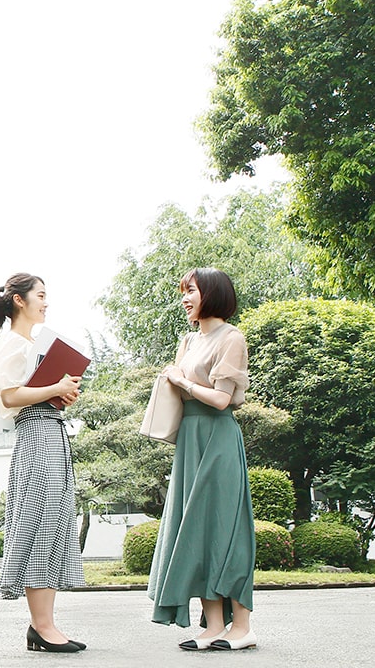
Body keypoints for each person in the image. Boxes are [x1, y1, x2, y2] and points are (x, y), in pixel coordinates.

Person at [148, 267, 256, 651]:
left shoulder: (232, 338)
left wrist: (183, 382)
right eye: (184, 291)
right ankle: (212, 625)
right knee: (196, 529)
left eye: (190, 290)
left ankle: (241, 627)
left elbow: (222, 399)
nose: (185, 298)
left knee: (226, 529)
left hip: (218, 436)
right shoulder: (189, 340)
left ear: (211, 293)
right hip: (190, 440)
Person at [0, 272, 87, 653]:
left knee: (54, 525)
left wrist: (63, 392)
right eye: (41, 295)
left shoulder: (31, 343)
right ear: (19, 300)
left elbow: (31, 392)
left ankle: (43, 625)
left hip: (52, 431)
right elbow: (9, 397)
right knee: (39, 524)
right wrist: (56, 388)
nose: (46, 301)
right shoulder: (9, 342)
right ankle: (42, 627)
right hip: (35, 435)